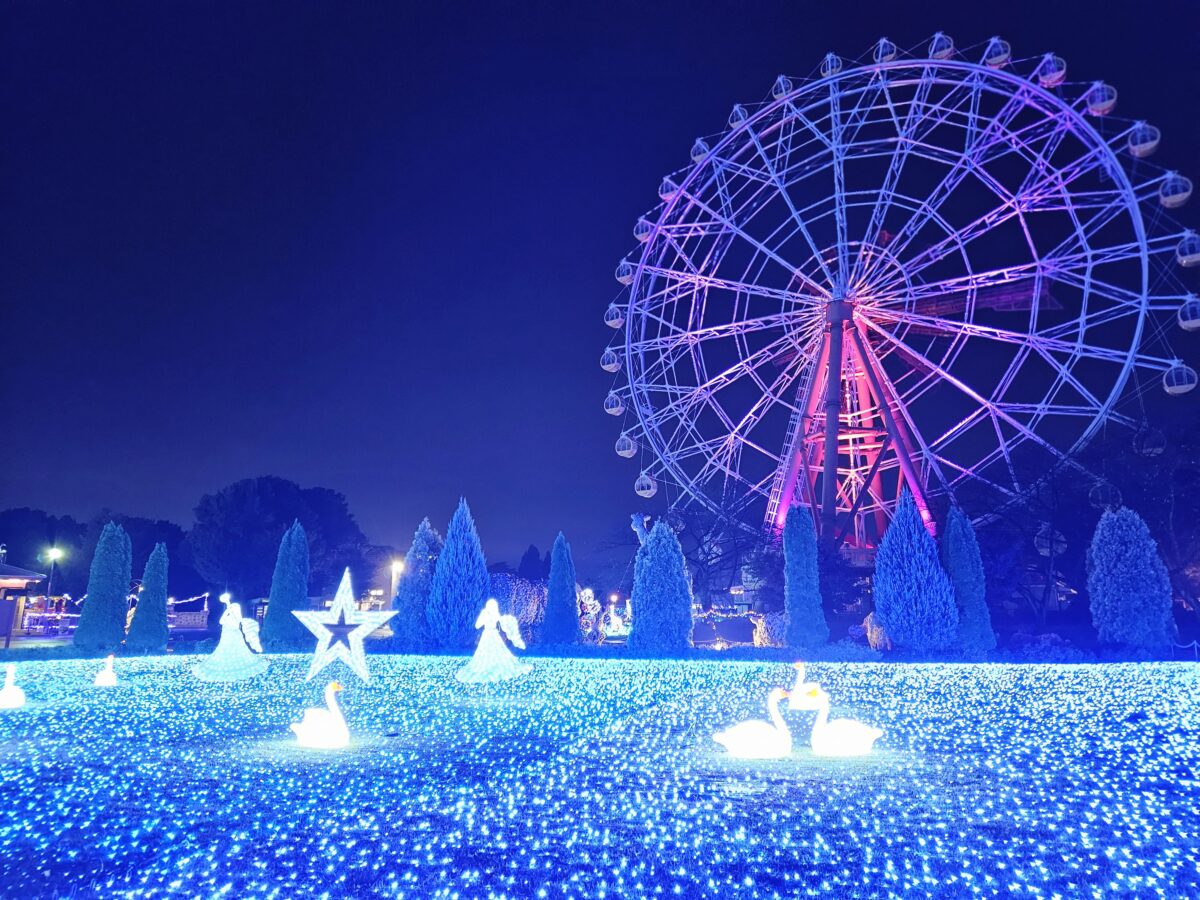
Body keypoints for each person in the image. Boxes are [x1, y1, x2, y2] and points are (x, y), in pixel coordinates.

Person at [455, 598, 532, 683]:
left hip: (489, 633)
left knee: (490, 650)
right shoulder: (492, 613)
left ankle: (489, 665)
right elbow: (479, 625)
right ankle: (493, 665)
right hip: (493, 633)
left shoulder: (487, 613)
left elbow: (478, 625)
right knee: (494, 650)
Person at [194, 597, 269, 682]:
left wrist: (232, 615)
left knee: (236, 651)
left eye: (233, 608)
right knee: (224, 651)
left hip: (234, 636)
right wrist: (227, 612)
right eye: (231, 607)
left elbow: (235, 626)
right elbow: (221, 622)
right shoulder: (228, 615)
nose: (231, 608)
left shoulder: (237, 618)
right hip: (226, 636)